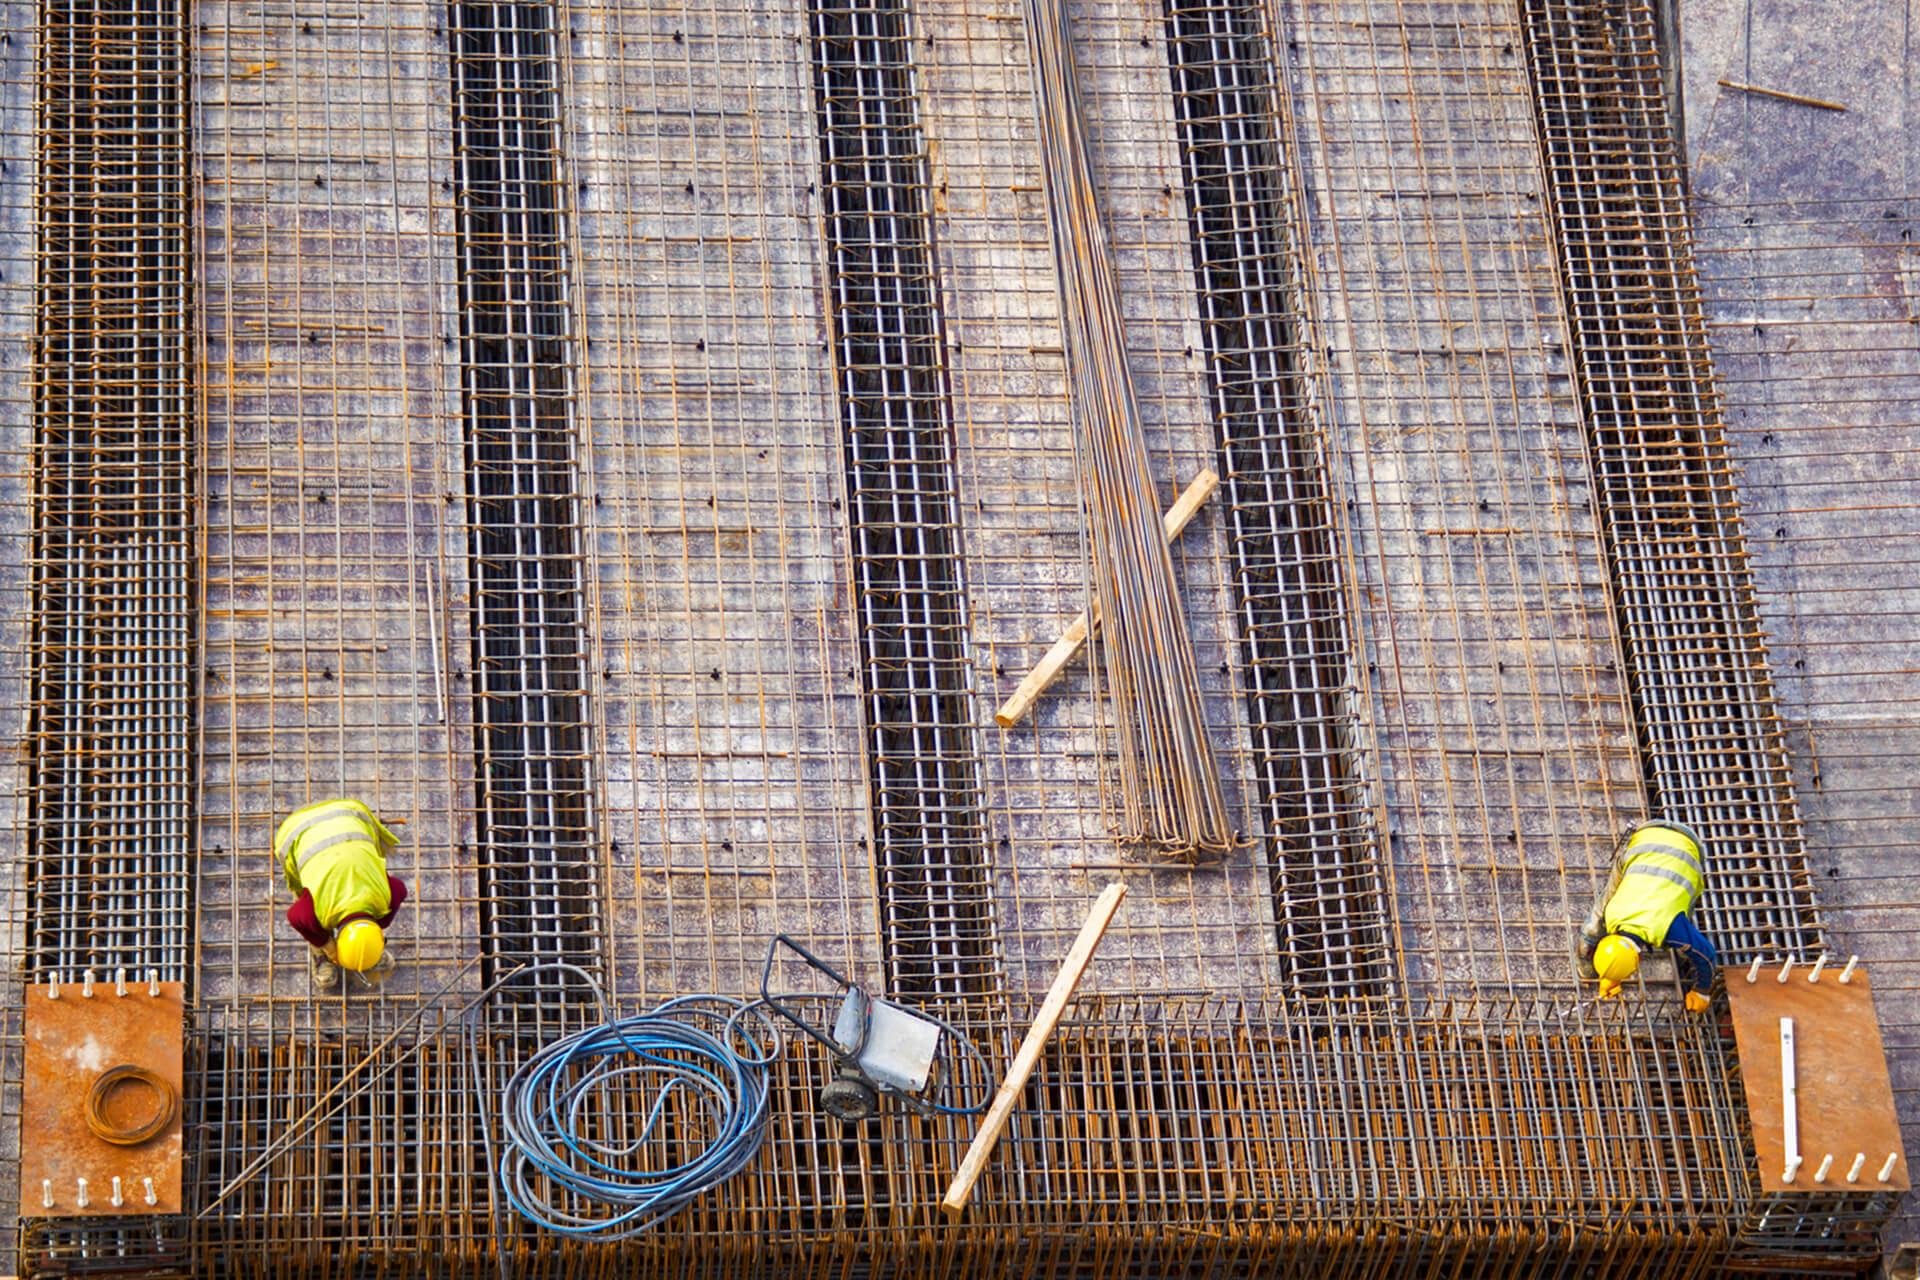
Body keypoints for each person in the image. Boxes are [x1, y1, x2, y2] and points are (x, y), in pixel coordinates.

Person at [1575, 819, 1717, 1012]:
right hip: (1646, 835)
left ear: (1639, 959)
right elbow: (1597, 929)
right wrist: (1610, 974)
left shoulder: (1670, 928)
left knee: (1685, 908)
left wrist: (1702, 991)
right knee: (1612, 890)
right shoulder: (1614, 912)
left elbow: (1707, 955)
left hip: (1689, 849)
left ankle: (1684, 950)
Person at [274, 798, 406, 991]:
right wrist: (326, 944)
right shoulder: (315, 911)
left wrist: (376, 927)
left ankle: (368, 948)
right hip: (298, 829)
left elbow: (399, 888)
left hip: (349, 813)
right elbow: (295, 917)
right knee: (304, 898)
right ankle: (321, 956)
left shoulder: (386, 899)